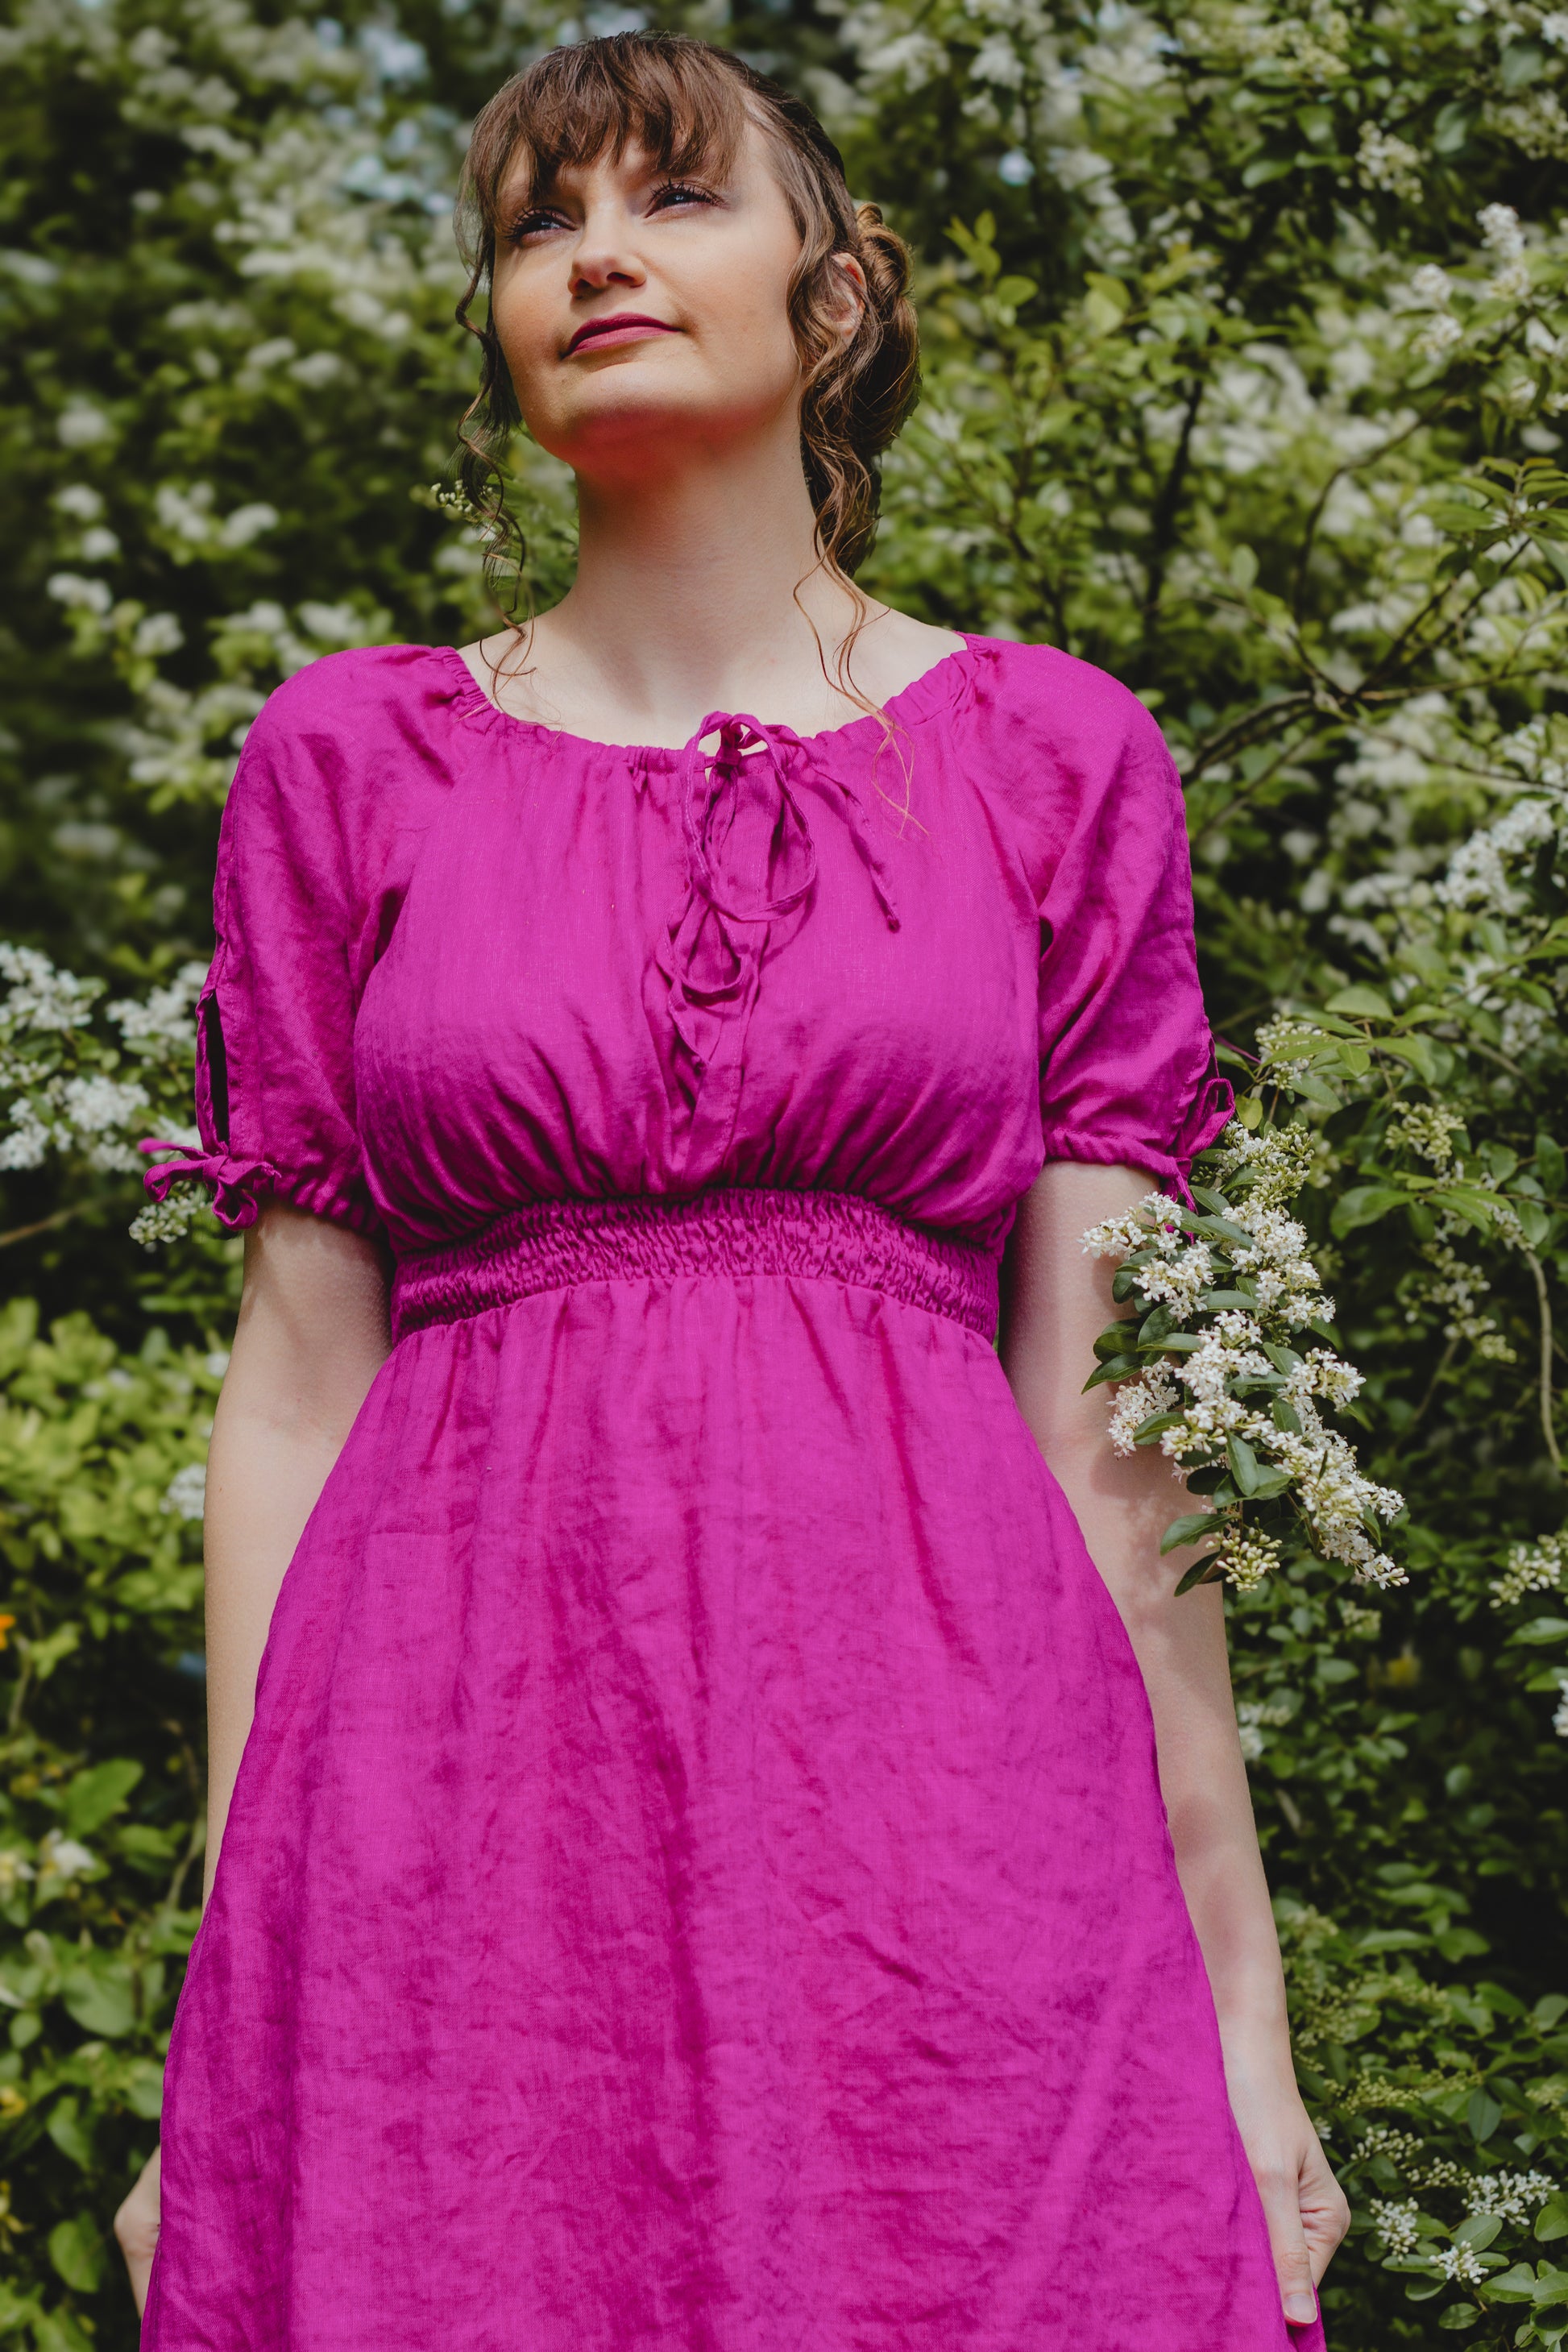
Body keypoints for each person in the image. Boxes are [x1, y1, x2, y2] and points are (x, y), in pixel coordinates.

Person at [115, 31, 1349, 2346]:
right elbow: (287, 1404)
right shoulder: (343, 760)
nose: (589, 250)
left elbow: (1114, 1444)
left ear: (836, 293)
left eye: (671, 196)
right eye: (530, 222)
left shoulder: (1053, 758)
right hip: (441, 1829)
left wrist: (1247, 2037)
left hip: (942, 1811)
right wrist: (230, 2010)